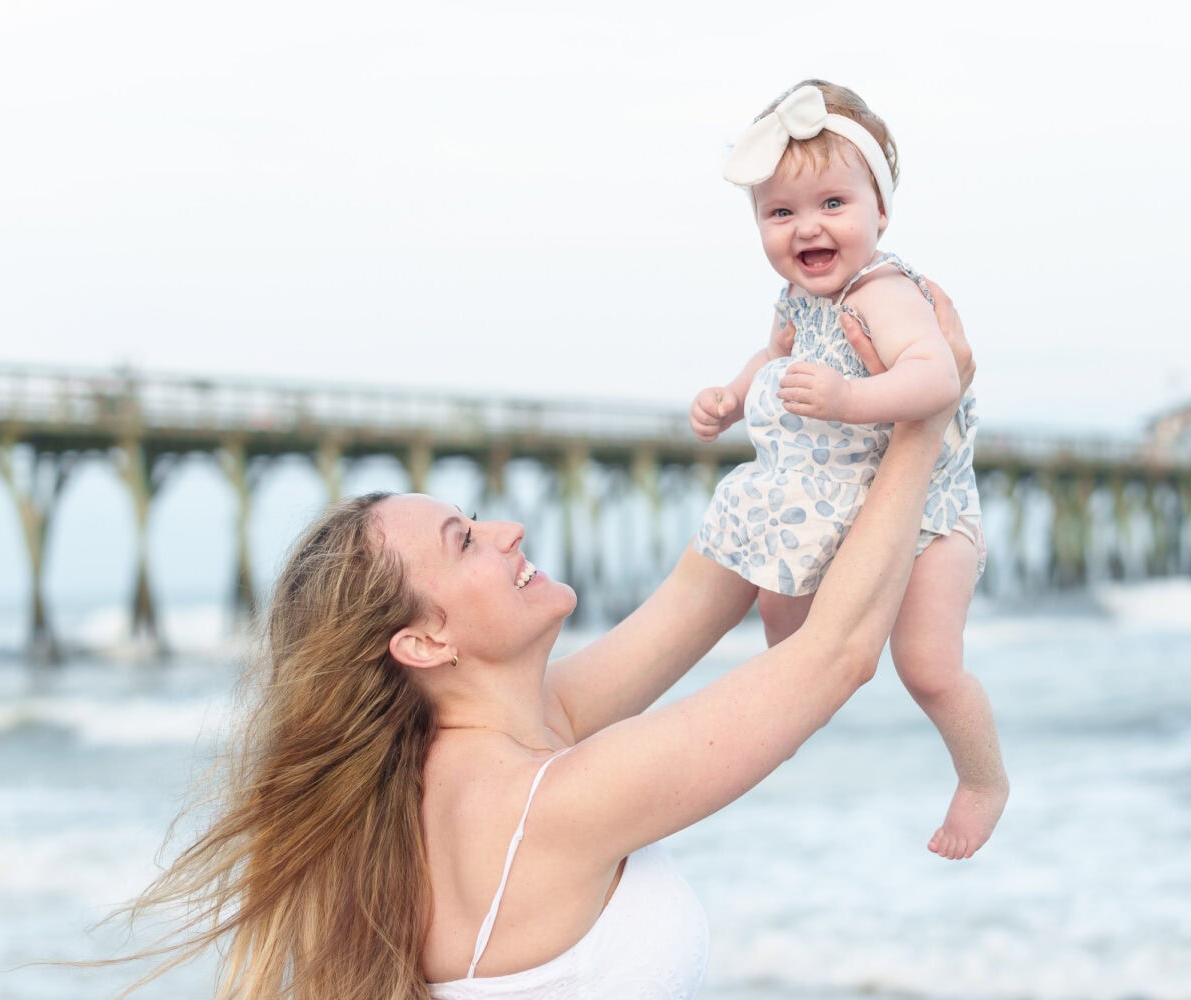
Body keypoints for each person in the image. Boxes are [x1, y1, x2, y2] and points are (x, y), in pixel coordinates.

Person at [110, 307, 976, 999]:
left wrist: (819, 406)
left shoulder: (487, 754)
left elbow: (704, 588)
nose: (508, 529)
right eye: (464, 541)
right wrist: (922, 423)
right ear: (421, 640)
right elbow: (834, 658)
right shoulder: (545, 802)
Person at [689, 79, 1008, 860]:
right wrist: (733, 398)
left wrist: (847, 394)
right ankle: (789, 719)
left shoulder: (885, 292)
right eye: (781, 213)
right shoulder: (797, 300)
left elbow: (937, 377)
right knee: (776, 612)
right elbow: (774, 354)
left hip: (929, 516)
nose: (808, 228)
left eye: (833, 204)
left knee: (928, 667)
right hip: (849, 508)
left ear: (881, 214)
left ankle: (982, 779)